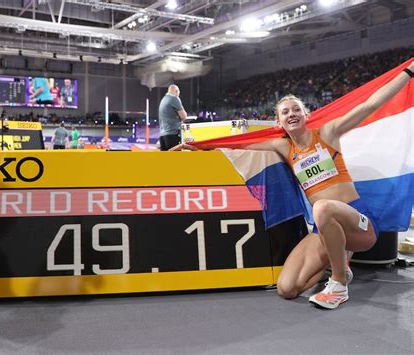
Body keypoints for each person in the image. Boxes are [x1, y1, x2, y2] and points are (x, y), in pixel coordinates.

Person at [172, 62, 414, 309]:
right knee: (287, 288)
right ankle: (339, 263)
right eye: (285, 112)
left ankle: (339, 283)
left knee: (321, 208)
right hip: (324, 228)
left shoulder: (328, 133)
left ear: (306, 115)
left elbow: (370, 105)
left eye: (296, 109)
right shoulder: (284, 148)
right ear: (279, 122)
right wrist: (198, 146)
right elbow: (241, 144)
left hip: (360, 224)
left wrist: (409, 72)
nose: (291, 114)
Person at [158, 84, 187, 151]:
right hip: (172, 135)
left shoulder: (163, 99)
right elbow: (184, 117)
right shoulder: (174, 98)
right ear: (177, 91)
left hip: (163, 136)